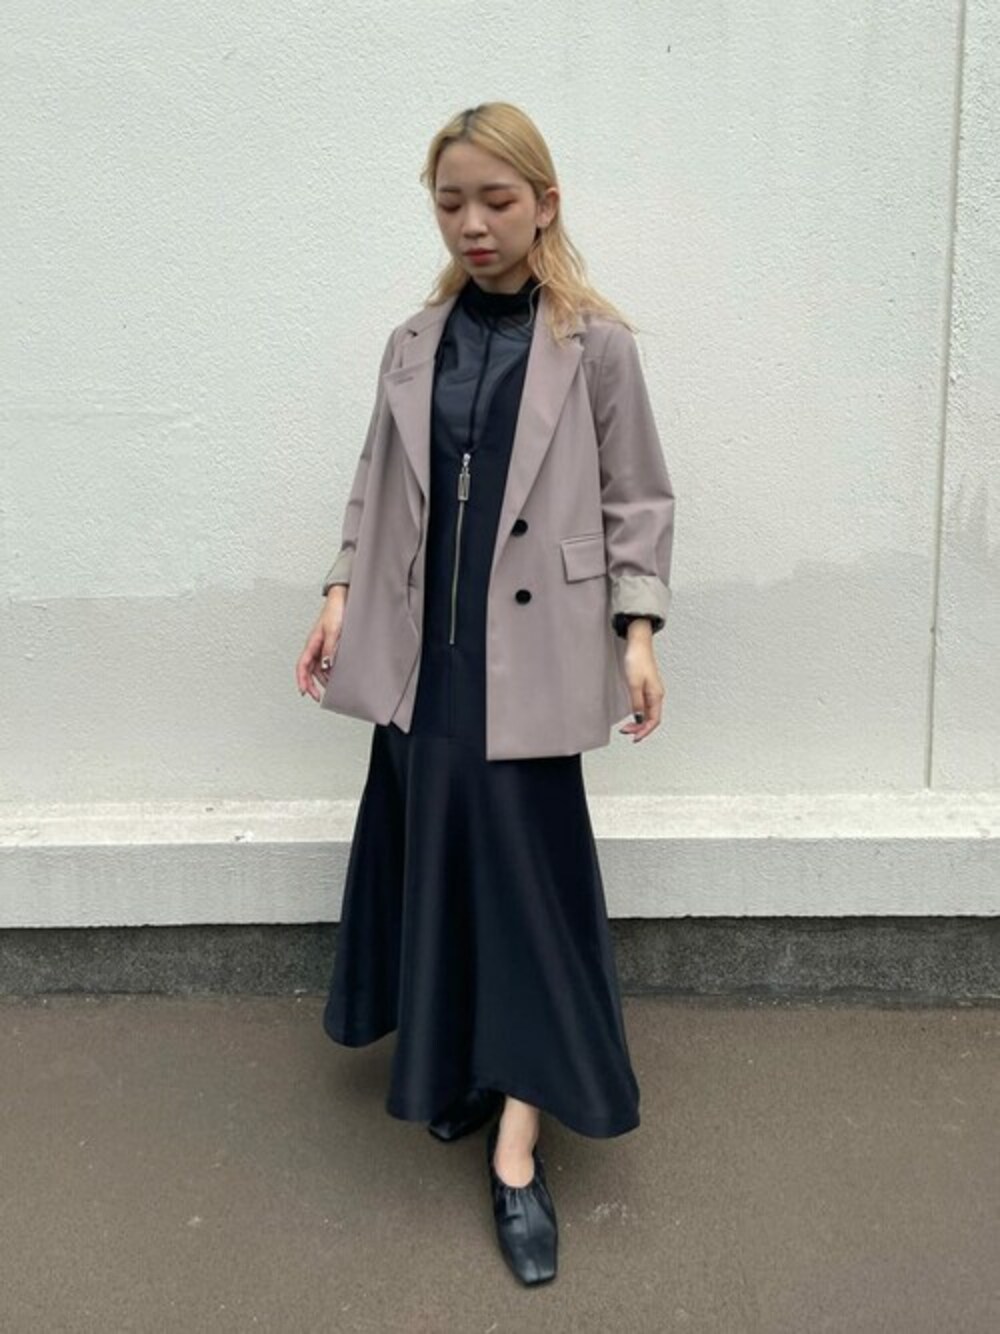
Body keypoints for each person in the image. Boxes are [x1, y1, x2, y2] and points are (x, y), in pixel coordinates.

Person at [296, 101, 675, 1287]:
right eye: (451, 200)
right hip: (427, 660)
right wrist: (340, 591)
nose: (472, 222)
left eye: (496, 199)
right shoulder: (415, 342)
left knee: (526, 895)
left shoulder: (594, 345)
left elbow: (637, 499)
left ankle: (518, 1145)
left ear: (544, 204)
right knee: (442, 870)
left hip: (533, 659)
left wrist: (638, 631)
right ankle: (467, 1066)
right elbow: (374, 482)